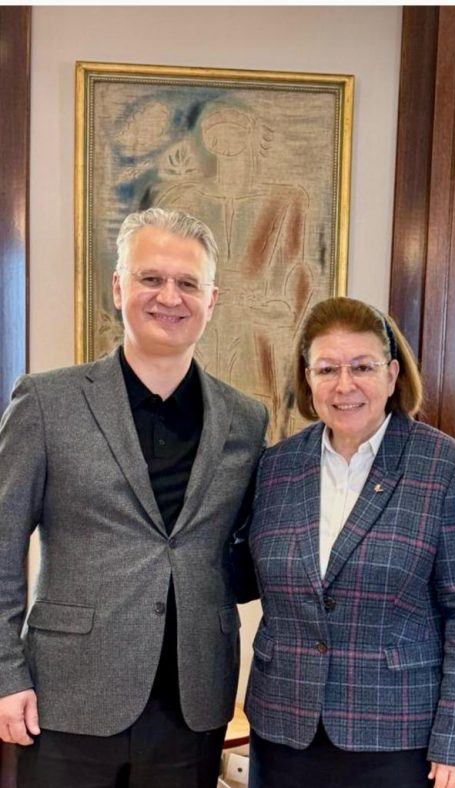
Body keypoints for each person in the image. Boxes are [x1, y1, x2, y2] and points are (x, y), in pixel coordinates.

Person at [0, 208, 267, 787]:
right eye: (152, 278)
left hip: (192, 703)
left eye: (188, 282)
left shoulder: (246, 420)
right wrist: (5, 673)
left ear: (211, 300)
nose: (169, 296)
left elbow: (252, 549)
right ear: (119, 288)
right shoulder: (46, 403)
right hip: (68, 696)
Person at [244, 296, 455, 788]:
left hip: (399, 737)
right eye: (327, 369)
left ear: (392, 374)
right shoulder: (276, 467)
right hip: (284, 729)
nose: (345, 385)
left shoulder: (446, 468)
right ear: (307, 379)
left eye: (362, 366)